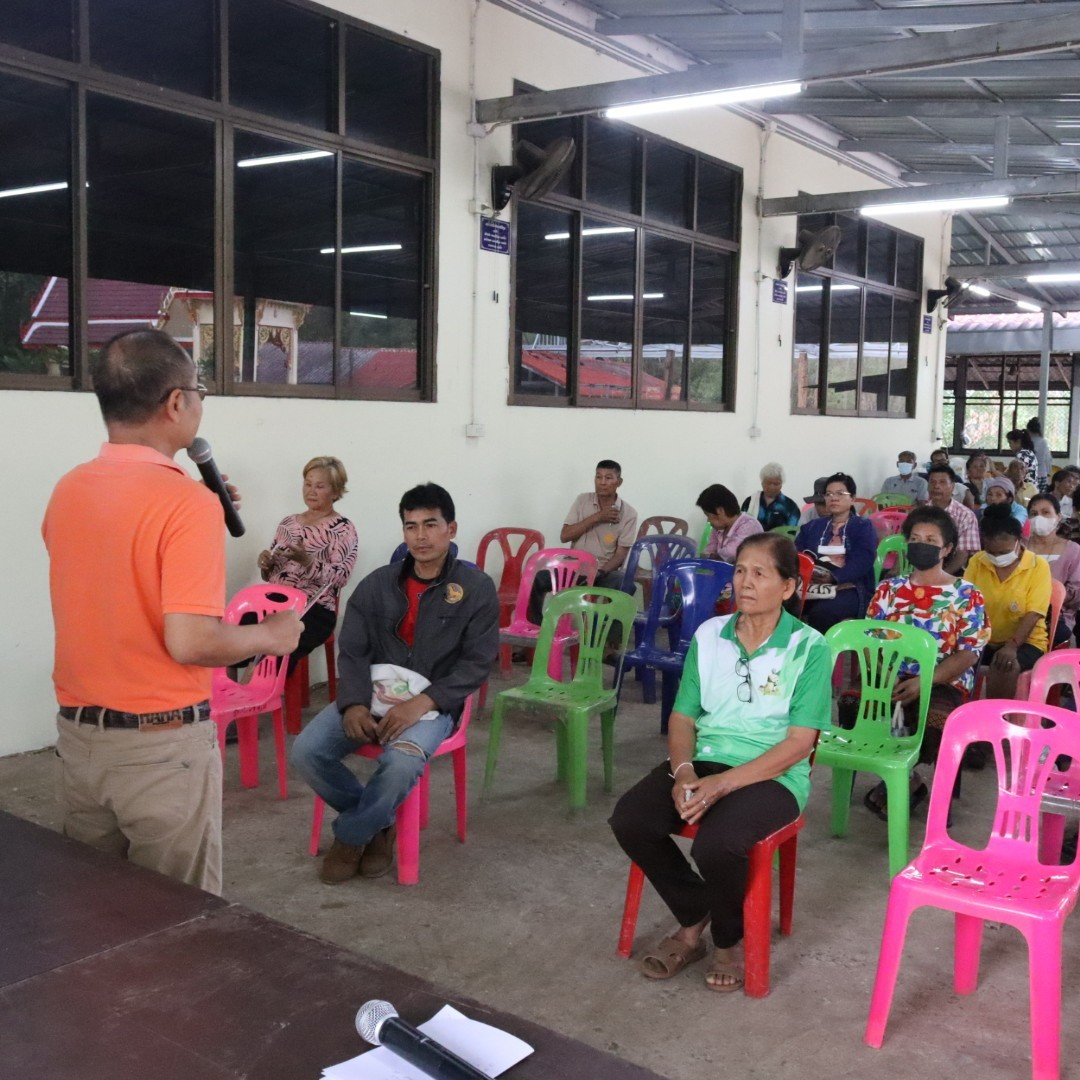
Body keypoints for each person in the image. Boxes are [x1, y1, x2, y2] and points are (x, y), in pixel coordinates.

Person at [42, 329, 302, 894]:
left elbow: (113, 578)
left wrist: (198, 508)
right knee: (175, 932)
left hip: (79, 742)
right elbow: (190, 642)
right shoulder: (186, 503)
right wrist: (271, 636)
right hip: (158, 751)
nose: (201, 401)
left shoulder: (68, 490)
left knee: (96, 916)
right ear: (176, 403)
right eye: (200, 389)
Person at [609, 533, 831, 993]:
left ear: (788, 587)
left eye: (759, 573)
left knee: (717, 845)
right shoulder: (711, 635)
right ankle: (696, 909)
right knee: (630, 819)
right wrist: (685, 771)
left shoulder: (809, 648)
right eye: (740, 571)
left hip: (775, 773)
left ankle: (724, 939)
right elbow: (684, 716)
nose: (744, 583)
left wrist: (723, 785)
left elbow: (798, 744)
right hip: (707, 759)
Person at [292, 483, 499, 885]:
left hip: (433, 705)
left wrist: (423, 703)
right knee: (307, 751)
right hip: (370, 695)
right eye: (411, 526)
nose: (420, 536)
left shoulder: (475, 590)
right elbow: (352, 650)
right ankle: (379, 824)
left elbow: (478, 661)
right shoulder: (377, 585)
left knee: (400, 762)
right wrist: (352, 703)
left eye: (430, 524)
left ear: (451, 529)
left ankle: (351, 836)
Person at [862, 506, 989, 818]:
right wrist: (886, 674)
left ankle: (910, 781)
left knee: (934, 717)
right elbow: (869, 640)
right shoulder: (889, 590)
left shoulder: (966, 594)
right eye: (915, 538)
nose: (921, 544)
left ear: (946, 549)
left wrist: (925, 680)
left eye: (931, 539)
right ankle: (908, 780)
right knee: (858, 705)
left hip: (943, 679)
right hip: (891, 675)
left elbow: (969, 652)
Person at [257, 456, 358, 675]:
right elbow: (271, 575)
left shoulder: (342, 528)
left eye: (320, 486)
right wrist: (266, 564)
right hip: (274, 601)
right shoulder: (288, 523)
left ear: (335, 491)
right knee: (236, 631)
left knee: (279, 641)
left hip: (314, 607)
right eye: (308, 484)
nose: (311, 491)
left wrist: (308, 561)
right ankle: (236, 694)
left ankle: (264, 691)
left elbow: (341, 578)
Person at [528, 459, 638, 625]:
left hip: (602, 571)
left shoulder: (629, 513)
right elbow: (565, 535)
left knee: (625, 586)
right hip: (573, 569)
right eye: (598, 477)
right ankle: (534, 629)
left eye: (608, 478)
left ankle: (607, 644)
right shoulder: (582, 501)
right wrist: (597, 517)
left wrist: (599, 572)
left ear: (619, 482)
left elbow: (621, 554)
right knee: (537, 578)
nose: (602, 483)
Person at [965, 504, 1051, 699]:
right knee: (952, 658)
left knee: (1004, 665)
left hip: (1026, 641)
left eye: (1003, 552)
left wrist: (1012, 645)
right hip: (985, 638)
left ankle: (998, 722)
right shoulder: (978, 561)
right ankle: (959, 716)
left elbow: (1034, 613)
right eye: (991, 552)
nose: (997, 558)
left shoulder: (1038, 566)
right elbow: (967, 602)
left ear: (1019, 541)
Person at [794, 473, 877, 634]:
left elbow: (863, 560)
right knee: (782, 601)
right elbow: (797, 553)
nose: (833, 498)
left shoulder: (862, 526)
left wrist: (834, 577)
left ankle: (820, 654)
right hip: (812, 583)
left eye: (840, 493)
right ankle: (787, 652)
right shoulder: (813, 526)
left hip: (850, 587)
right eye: (829, 494)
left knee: (822, 612)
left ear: (852, 498)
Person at [1025, 494, 1080, 647]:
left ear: (1058, 517)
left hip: (1057, 616)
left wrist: (1047, 594)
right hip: (1017, 611)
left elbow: (1077, 592)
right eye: (1034, 514)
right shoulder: (1019, 547)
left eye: (1046, 512)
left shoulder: (1073, 550)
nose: (1039, 518)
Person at [925, 464, 980, 575]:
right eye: (932, 482)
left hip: (953, 569)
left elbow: (963, 554)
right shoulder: (920, 513)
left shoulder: (965, 515)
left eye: (942, 482)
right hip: (922, 565)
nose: (936, 486)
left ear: (953, 486)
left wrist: (941, 576)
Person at [699, 483, 763, 562]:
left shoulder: (749, 525)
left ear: (720, 511)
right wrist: (707, 556)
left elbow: (732, 553)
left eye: (708, 515)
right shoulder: (719, 529)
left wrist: (711, 557)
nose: (708, 520)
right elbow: (710, 549)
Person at [740, 463, 800, 530]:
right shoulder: (750, 502)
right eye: (768, 483)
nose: (772, 487)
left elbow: (792, 532)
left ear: (781, 484)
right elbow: (741, 526)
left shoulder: (791, 506)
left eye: (776, 483)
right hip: (753, 540)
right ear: (762, 483)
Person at [1026, 417, 1052, 490]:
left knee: (1030, 497)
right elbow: (1048, 460)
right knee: (1041, 498)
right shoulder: (1043, 442)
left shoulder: (1027, 442)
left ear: (1028, 430)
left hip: (1029, 476)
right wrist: (1048, 474)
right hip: (1042, 474)